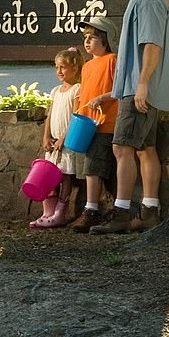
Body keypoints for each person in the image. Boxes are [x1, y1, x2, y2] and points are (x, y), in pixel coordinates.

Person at [90, 0, 169, 235]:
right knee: (145, 149)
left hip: (139, 90)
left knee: (121, 147)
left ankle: (121, 214)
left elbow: (152, 45)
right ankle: (149, 212)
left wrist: (142, 83)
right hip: (139, 89)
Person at [69, 16, 119, 233]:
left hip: (104, 123)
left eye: (93, 37)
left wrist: (102, 98)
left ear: (106, 40)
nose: (87, 42)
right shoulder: (87, 66)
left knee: (94, 167)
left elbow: (119, 88)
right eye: (85, 37)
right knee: (93, 167)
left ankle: (91, 211)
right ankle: (101, 208)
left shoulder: (112, 60)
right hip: (86, 125)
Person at [30, 48, 84, 229]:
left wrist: (63, 137)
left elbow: (75, 115)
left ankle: (60, 212)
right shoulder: (55, 91)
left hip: (66, 142)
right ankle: (48, 212)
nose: (59, 71)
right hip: (52, 141)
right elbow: (50, 116)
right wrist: (46, 136)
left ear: (75, 68)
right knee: (49, 176)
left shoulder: (77, 89)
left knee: (66, 176)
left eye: (63, 67)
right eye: (56, 67)